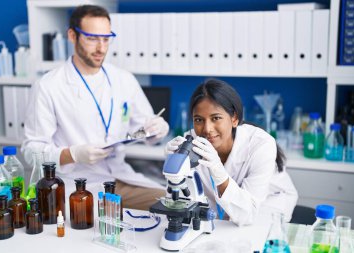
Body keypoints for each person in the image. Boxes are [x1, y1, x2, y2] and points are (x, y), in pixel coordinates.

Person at [21, 5, 169, 210]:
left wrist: (158, 128)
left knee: (172, 206)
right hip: (78, 185)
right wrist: (72, 154)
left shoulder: (123, 79)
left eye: (106, 39)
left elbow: (146, 130)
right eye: (92, 38)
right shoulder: (48, 86)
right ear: (72, 36)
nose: (101, 48)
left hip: (120, 178)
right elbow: (31, 151)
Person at [165, 78, 298, 225]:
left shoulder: (261, 145)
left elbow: (248, 213)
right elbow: (182, 198)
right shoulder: (189, 143)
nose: (207, 129)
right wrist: (173, 167)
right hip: (222, 213)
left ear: (234, 118)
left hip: (268, 204)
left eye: (216, 118)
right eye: (198, 120)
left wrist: (220, 175)